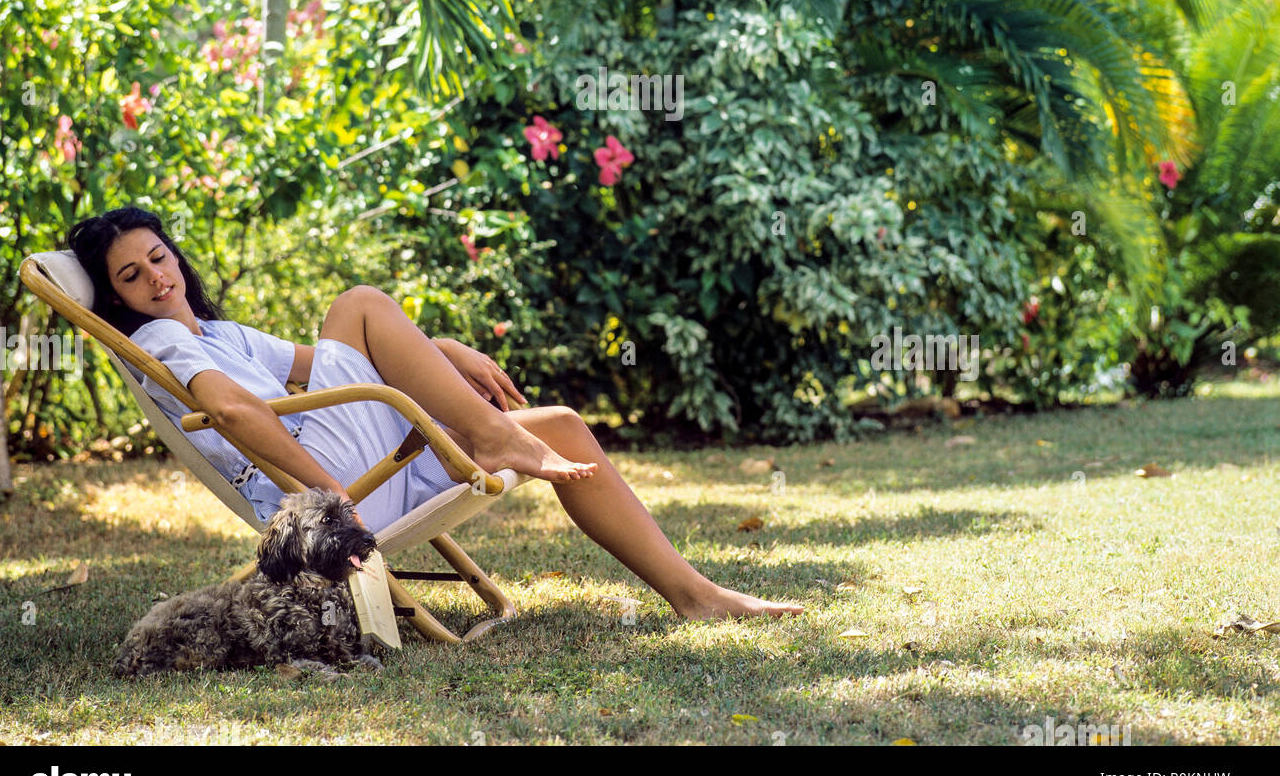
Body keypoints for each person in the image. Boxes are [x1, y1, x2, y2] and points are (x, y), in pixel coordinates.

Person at [68, 207, 802, 621]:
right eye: (132, 275)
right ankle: (490, 434)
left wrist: (443, 350)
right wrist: (334, 503)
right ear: (117, 299)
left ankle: (693, 595)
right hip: (339, 480)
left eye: (160, 257)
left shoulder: (218, 333)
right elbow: (228, 409)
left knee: (566, 427)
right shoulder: (160, 339)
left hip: (370, 457)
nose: (157, 278)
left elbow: (326, 361)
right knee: (358, 303)